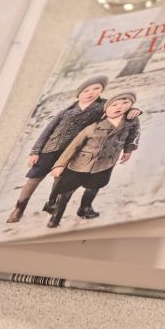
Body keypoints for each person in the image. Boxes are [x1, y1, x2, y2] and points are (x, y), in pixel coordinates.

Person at [5, 76, 108, 223]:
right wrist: (35, 151)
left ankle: (51, 204)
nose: (91, 92)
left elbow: (118, 108)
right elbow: (47, 130)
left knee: (60, 180)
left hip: (71, 153)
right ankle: (19, 209)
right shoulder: (66, 111)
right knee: (33, 179)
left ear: (102, 90)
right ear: (79, 93)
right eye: (86, 90)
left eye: (96, 88)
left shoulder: (102, 107)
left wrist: (132, 111)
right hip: (50, 149)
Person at [45, 91, 141, 228]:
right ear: (106, 109)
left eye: (125, 103)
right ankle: (56, 217)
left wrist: (128, 150)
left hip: (105, 164)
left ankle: (85, 208)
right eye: (114, 105)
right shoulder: (94, 127)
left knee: (94, 187)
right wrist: (60, 165)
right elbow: (73, 146)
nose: (119, 107)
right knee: (66, 191)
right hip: (80, 165)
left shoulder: (131, 121)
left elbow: (134, 134)